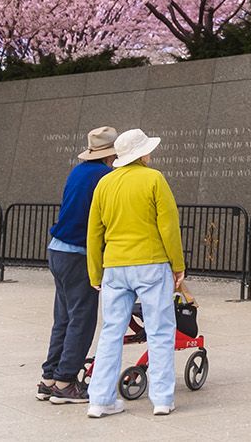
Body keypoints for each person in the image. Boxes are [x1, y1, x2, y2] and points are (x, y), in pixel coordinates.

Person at [85, 127, 192, 418]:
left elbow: (94, 232)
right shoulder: (154, 179)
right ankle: (162, 398)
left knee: (111, 332)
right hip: (151, 263)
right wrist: (178, 265)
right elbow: (168, 226)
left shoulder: (105, 184)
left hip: (114, 266)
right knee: (160, 331)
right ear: (142, 154)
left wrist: (95, 273)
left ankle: (100, 399)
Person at [38, 125, 117, 405]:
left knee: (63, 318)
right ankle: (66, 382)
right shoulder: (105, 176)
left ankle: (49, 379)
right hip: (78, 253)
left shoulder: (78, 171)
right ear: (111, 154)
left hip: (57, 249)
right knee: (82, 319)